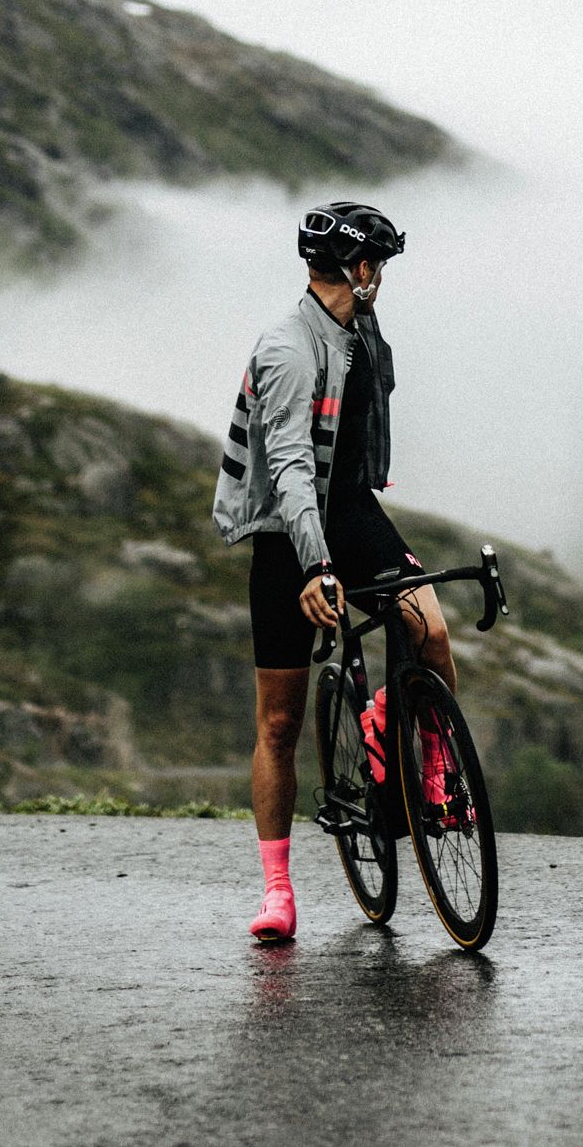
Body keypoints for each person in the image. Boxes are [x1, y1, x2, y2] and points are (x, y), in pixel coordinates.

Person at [211, 199, 456, 943]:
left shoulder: (360, 331)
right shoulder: (288, 347)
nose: (383, 276)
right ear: (359, 266)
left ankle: (431, 761)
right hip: (287, 532)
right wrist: (316, 566)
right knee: (279, 721)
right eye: (378, 262)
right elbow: (287, 466)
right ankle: (278, 890)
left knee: (431, 630)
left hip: (348, 509)